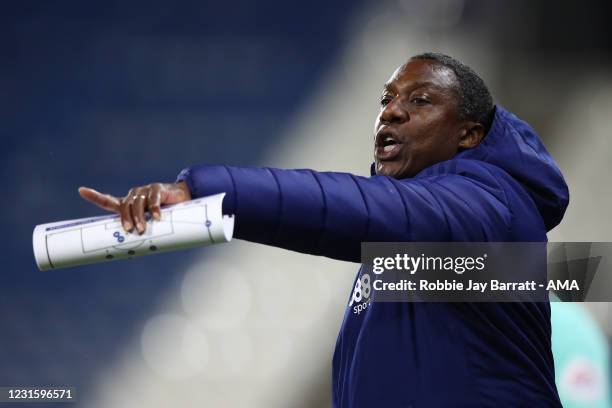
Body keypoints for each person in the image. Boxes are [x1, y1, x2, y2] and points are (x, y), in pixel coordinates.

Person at [79, 53, 569, 406]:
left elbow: (341, 207)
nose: (391, 111)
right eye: (387, 98)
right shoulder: (414, 231)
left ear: (469, 133)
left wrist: (207, 190)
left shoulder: (488, 203)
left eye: (420, 100)